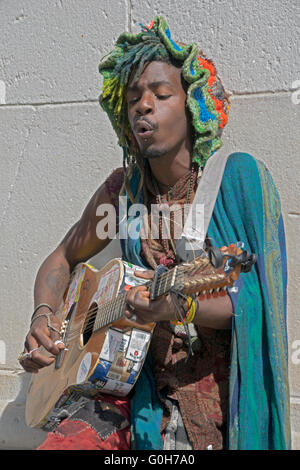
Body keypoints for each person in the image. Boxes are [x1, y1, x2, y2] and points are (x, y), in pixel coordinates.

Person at [19, 17, 291, 450]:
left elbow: (248, 299)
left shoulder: (236, 180)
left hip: (211, 398)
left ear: (192, 105)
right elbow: (61, 257)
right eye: (133, 100)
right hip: (132, 392)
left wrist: (176, 309)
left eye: (161, 94)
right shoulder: (122, 191)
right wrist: (43, 317)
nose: (143, 106)